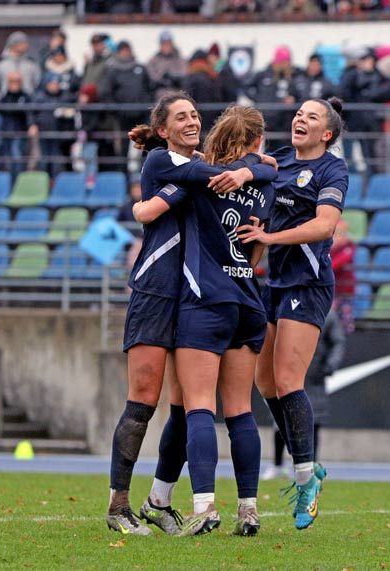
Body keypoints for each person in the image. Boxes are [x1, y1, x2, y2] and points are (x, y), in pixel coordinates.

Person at [105, 91, 274, 537]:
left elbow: (222, 173)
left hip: (192, 296)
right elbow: (201, 178)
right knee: (143, 398)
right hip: (155, 292)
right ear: (162, 130)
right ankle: (117, 504)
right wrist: (252, 168)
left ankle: (159, 499)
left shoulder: (196, 170)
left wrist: (252, 167)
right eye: (182, 116)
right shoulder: (164, 161)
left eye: (196, 114)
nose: (192, 120)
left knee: (183, 408)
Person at [237, 97, 349, 530]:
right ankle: (308, 464)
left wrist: (270, 235)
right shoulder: (278, 160)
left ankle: (306, 477)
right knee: (263, 381)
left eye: (312, 117)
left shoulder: (332, 170)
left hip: (308, 284)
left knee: (287, 380)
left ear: (327, 134)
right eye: (299, 113)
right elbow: (249, 173)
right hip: (273, 283)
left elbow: (324, 226)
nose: (301, 118)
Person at [263, 308, 345, 479]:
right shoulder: (283, 309)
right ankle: (278, 465)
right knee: (281, 420)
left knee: (314, 421)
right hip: (289, 372)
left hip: (314, 376)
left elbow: (337, 342)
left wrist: (330, 365)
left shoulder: (327, 314)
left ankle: (310, 466)